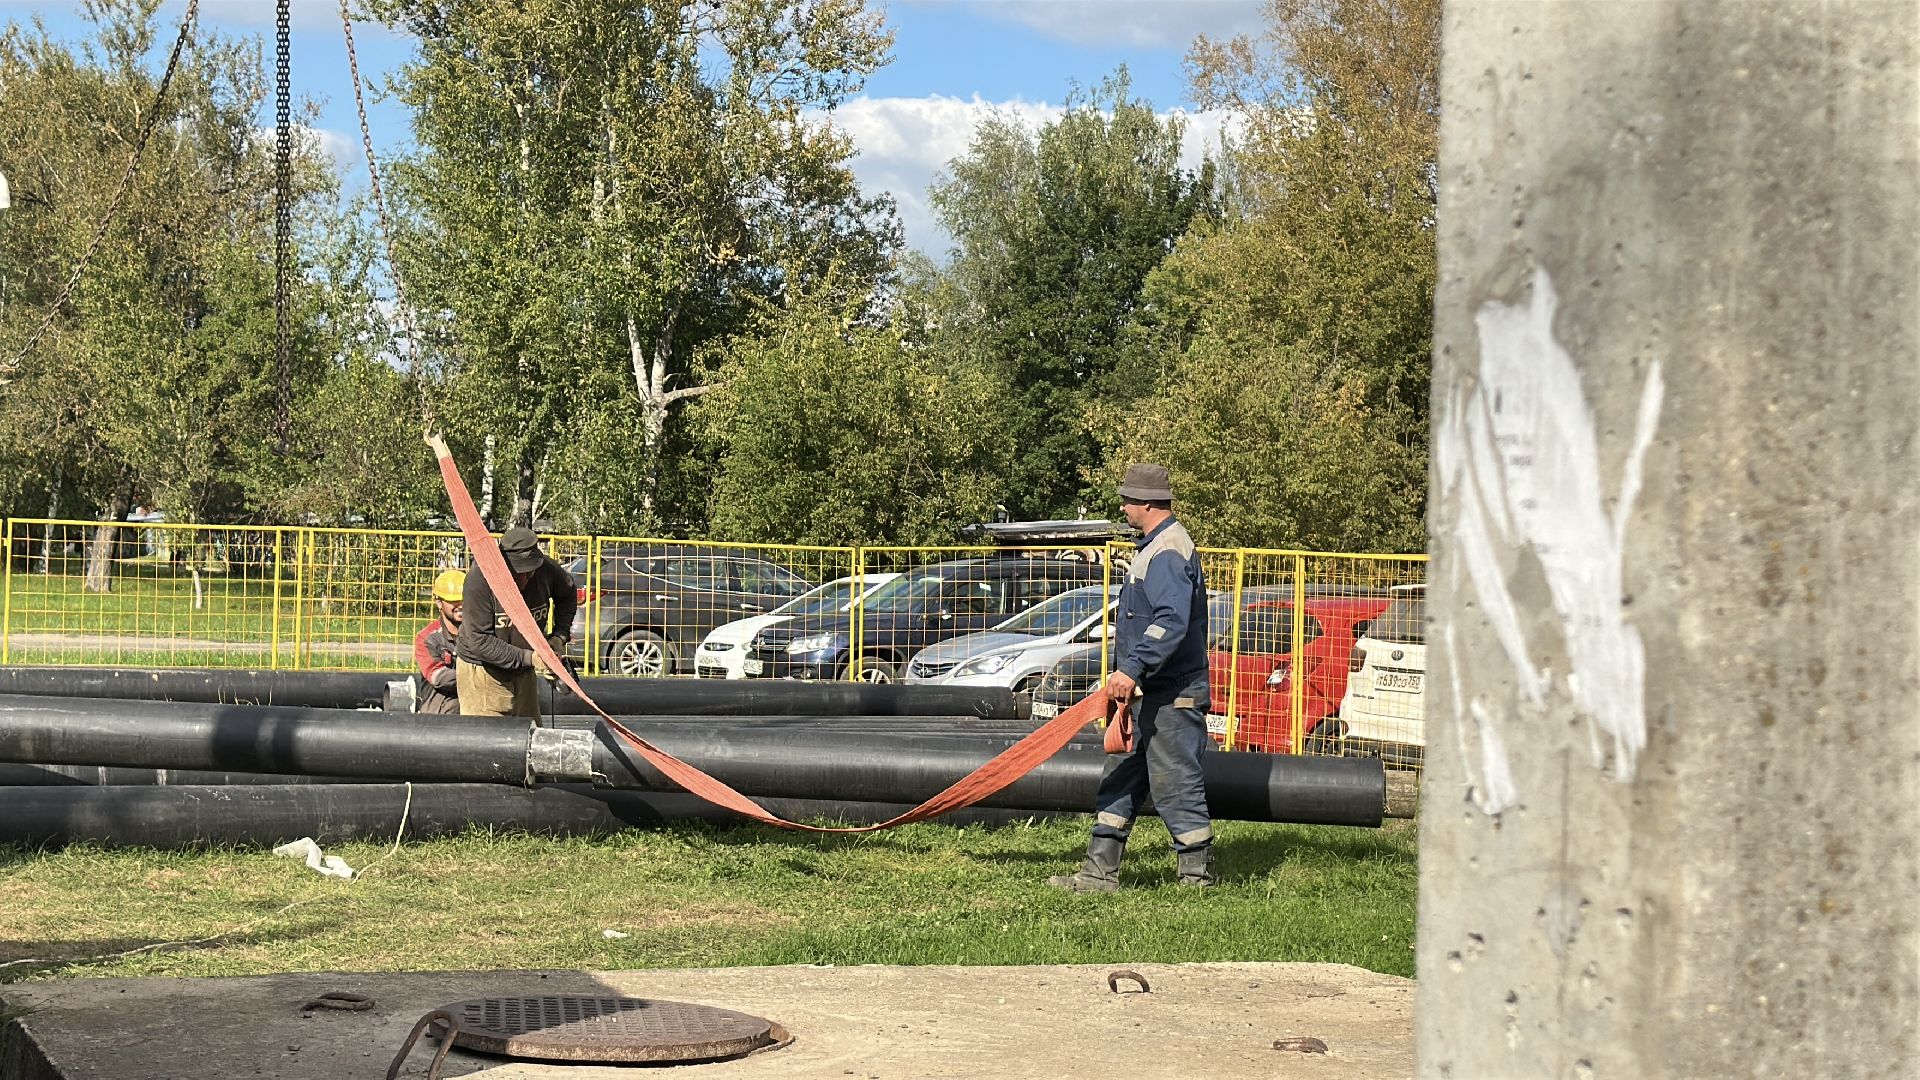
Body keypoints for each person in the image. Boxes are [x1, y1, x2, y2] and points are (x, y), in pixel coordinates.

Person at [1049, 463, 1215, 891]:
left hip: (1172, 695)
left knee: (1176, 784)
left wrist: (1132, 667)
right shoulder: (1155, 546)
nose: (1122, 506)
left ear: (1147, 503)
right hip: (1146, 695)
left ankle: (1196, 880)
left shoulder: (1168, 550)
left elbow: (1170, 621)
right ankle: (1098, 874)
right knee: (1120, 778)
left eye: (1127, 499)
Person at [454, 526, 577, 719]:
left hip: (524, 670)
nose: (525, 578)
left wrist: (559, 637)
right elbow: (480, 641)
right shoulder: (480, 580)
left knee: (529, 731)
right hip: (483, 673)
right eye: (518, 572)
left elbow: (568, 593)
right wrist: (532, 658)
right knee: (489, 737)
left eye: (530, 572)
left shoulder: (546, 570)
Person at [412, 569, 466, 715]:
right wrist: (478, 677)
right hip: (438, 716)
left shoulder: (479, 634)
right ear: (439, 602)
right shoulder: (427, 638)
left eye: (464, 599)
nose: (461, 605)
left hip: (474, 710)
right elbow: (439, 678)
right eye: (453, 600)